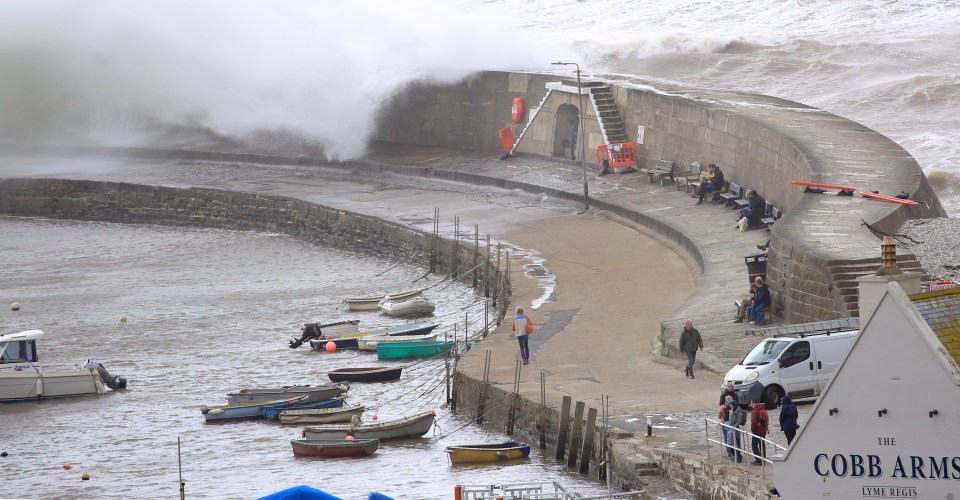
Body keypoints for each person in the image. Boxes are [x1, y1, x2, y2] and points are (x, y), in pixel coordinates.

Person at [750, 398, 769, 464]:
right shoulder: (763, 410)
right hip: (763, 430)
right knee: (762, 444)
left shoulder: (755, 411)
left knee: (754, 445)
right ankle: (763, 459)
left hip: (757, 431)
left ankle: (758, 459)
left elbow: (753, 422)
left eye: (751, 403)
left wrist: (753, 430)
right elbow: (767, 420)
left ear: (753, 403)